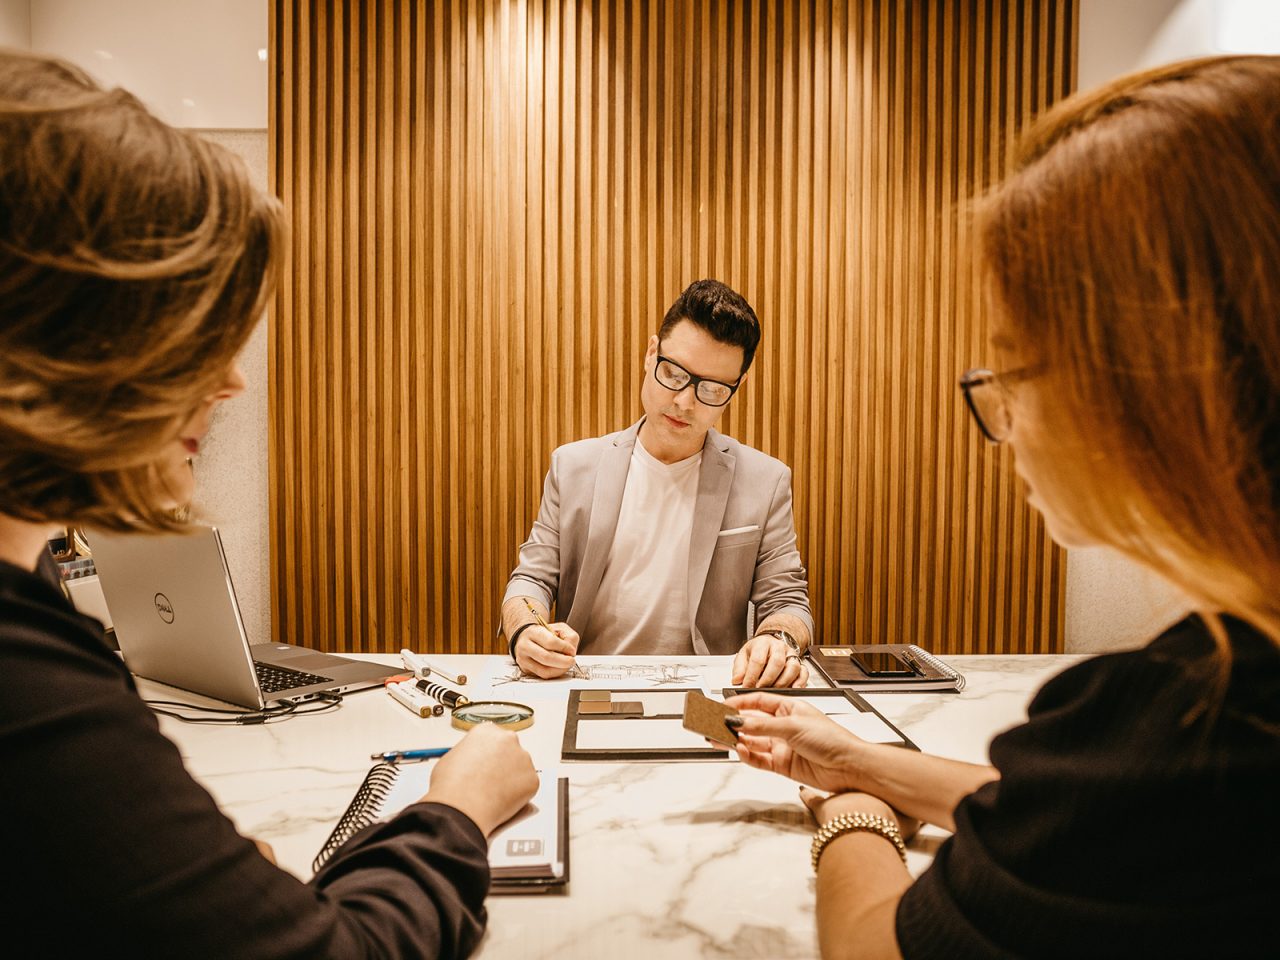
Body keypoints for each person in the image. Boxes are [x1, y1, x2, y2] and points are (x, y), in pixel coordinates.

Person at [726, 55, 1280, 959]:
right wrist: (862, 757)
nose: (1004, 419)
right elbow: (1088, 815)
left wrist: (852, 809)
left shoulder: (1208, 722)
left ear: (1157, 382)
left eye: (1013, 361)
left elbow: (880, 943)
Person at [0, 52, 537, 957]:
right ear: (77, 343)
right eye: (198, 335)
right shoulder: (28, 685)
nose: (234, 380)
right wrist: (457, 808)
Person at [501, 279, 815, 687]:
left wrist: (778, 639)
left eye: (713, 389)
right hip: (585, 682)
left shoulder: (766, 481)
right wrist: (526, 630)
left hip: (710, 691)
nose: (685, 401)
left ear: (737, 388)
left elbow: (788, 600)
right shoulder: (574, 467)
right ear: (651, 355)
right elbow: (531, 579)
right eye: (674, 373)